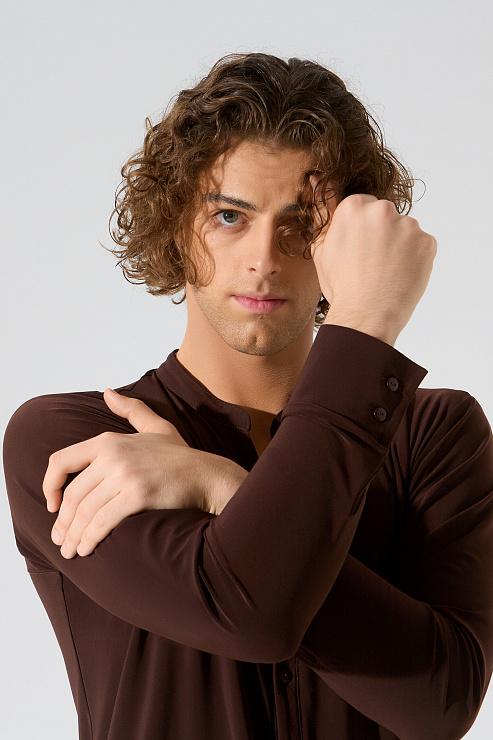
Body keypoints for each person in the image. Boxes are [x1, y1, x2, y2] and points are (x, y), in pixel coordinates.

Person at [4, 52, 493, 740]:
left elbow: (440, 705)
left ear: (345, 243)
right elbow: (252, 614)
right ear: (175, 225)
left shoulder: (434, 435)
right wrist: (360, 334)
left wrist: (221, 486)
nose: (265, 257)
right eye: (230, 216)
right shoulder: (77, 440)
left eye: (301, 224)